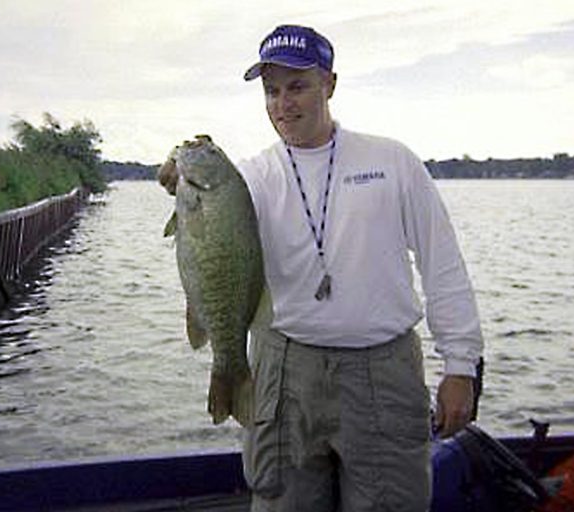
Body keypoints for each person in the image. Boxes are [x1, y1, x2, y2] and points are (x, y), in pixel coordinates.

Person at [158, 24, 483, 512]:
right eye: (271, 91)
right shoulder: (247, 178)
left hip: (383, 370)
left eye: (297, 86)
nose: (283, 104)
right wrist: (175, 179)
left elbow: (444, 267)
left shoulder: (393, 162)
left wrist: (460, 365)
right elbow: (208, 242)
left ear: (329, 84)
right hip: (283, 368)